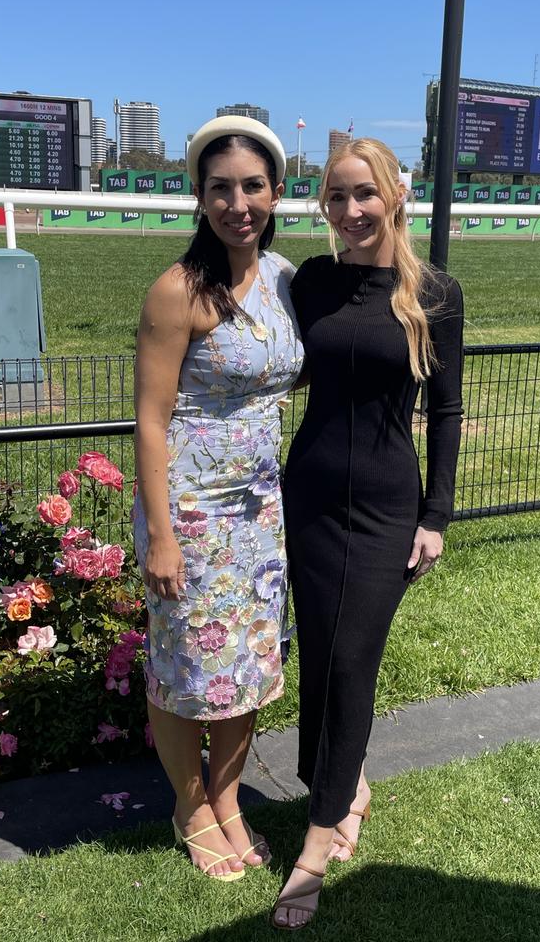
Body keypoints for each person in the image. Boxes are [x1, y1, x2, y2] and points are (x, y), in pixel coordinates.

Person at [273, 138, 464, 927]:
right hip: (309, 495)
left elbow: (447, 412)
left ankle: (314, 845)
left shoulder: (436, 293)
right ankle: (346, 787)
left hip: (387, 507)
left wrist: (437, 516)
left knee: (353, 661)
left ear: (394, 197)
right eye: (336, 199)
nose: (350, 212)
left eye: (364, 195)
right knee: (319, 657)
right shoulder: (313, 282)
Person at [133, 116, 304, 882]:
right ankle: (189, 804)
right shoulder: (179, 289)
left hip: (259, 513)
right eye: (221, 188)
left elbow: (298, 367)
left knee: (246, 664)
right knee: (184, 669)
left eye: (253, 186)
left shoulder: (284, 279)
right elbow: (150, 419)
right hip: (192, 515)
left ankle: (228, 798)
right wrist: (162, 536)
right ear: (199, 197)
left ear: (275, 192)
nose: (239, 202)